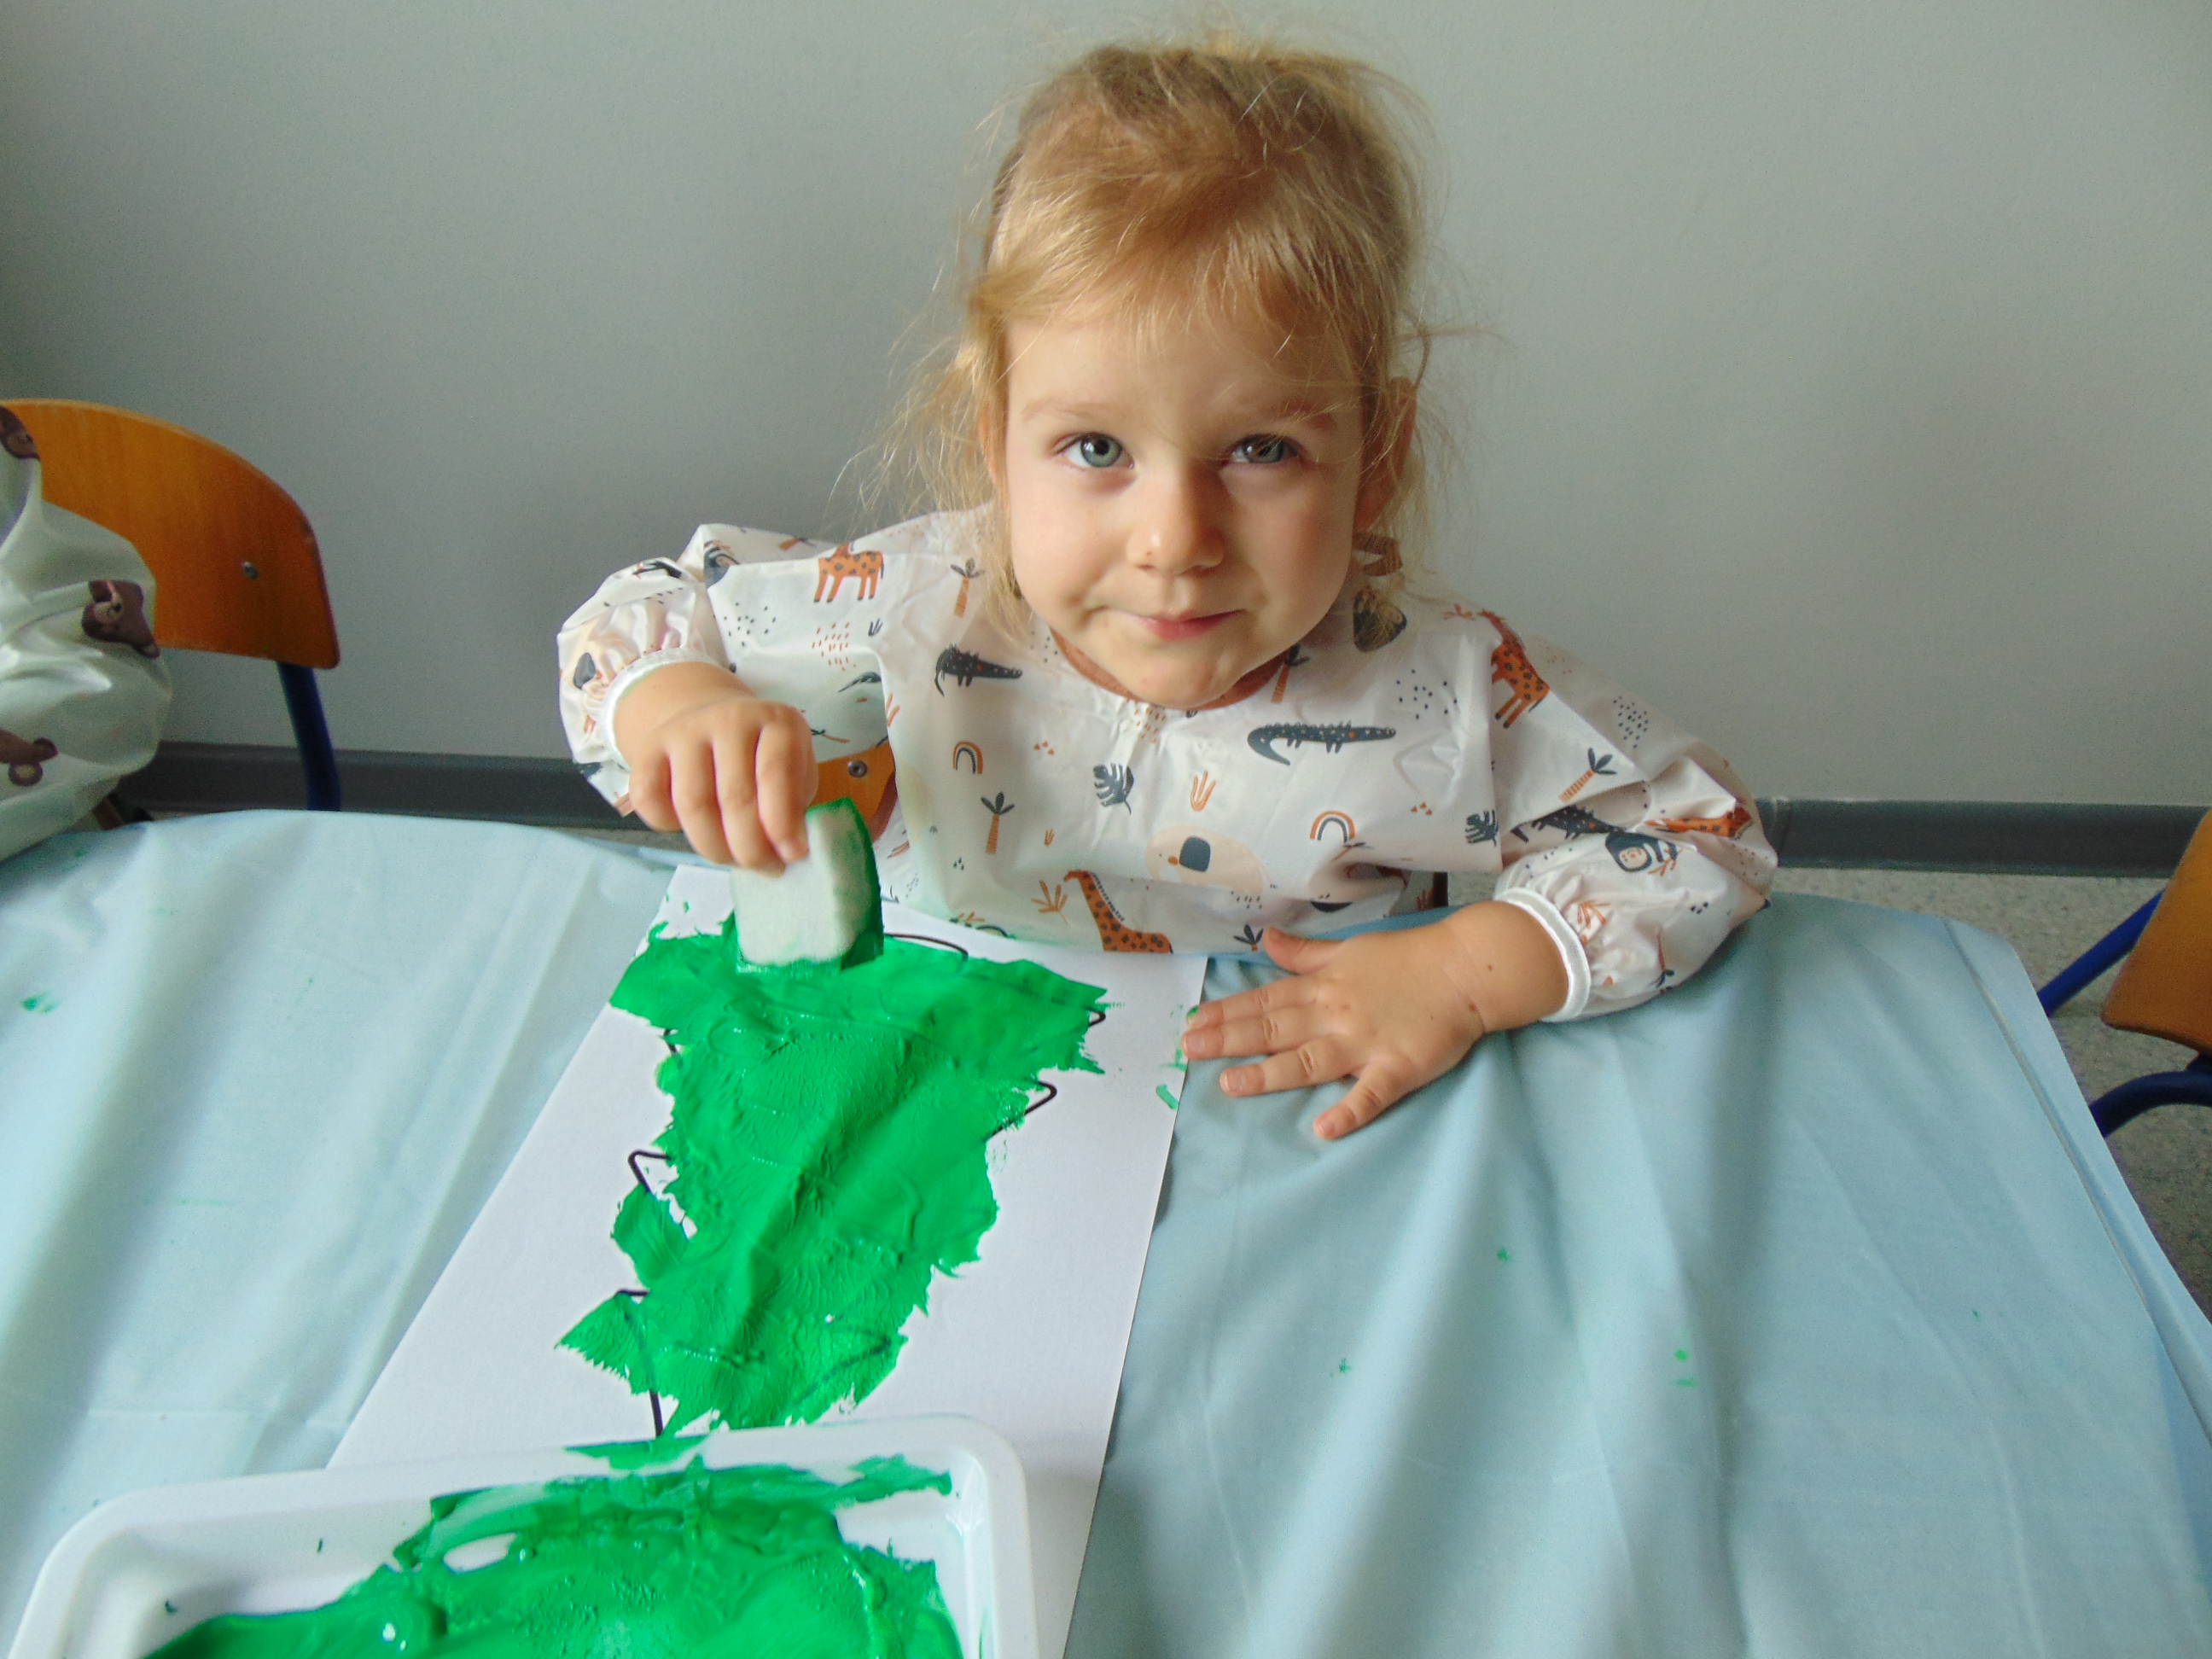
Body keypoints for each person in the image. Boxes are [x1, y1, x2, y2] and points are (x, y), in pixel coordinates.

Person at [557, 38, 1775, 1138]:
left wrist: (1458, 975)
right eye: (1096, 448)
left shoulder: (1442, 689)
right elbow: (641, 621)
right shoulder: (918, 601)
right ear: (996, 441)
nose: (1175, 540)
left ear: (1376, 458)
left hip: (1286, 1132)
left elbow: (1704, 834)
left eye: (1261, 450)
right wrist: (677, 710)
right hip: (948, 1090)